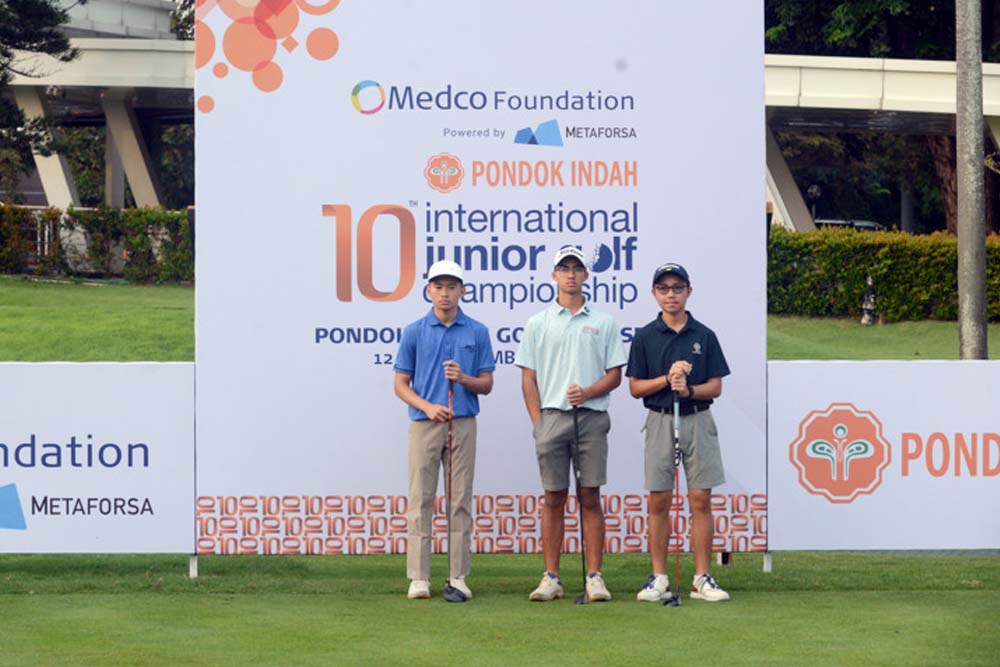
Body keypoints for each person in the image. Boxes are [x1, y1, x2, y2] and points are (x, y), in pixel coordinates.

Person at [515, 245, 627, 602]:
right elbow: (528, 378)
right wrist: (539, 423)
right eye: (564, 268)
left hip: (591, 418)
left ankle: (594, 576)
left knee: (590, 495)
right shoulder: (538, 323)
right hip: (552, 418)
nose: (571, 274)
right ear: (554, 275)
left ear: (586, 275)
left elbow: (615, 375)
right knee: (553, 497)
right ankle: (551, 577)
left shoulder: (604, 322)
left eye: (577, 268)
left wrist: (589, 391)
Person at [626, 262, 731, 602]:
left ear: (688, 291)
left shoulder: (704, 335)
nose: (670, 295)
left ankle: (701, 578)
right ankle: (659, 577)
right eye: (664, 289)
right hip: (660, 419)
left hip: (697, 419)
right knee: (659, 499)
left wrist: (688, 389)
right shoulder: (645, 336)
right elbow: (635, 387)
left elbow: (715, 386)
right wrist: (667, 379)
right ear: (654, 293)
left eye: (677, 288)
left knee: (700, 498)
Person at [394, 260, 495, 600]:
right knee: (420, 499)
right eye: (438, 287)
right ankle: (419, 577)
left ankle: (457, 576)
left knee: (459, 500)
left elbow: (486, 384)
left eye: (452, 287)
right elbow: (400, 384)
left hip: (462, 422)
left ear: (462, 291)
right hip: (425, 423)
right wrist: (426, 406)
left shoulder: (477, 331)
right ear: (429, 291)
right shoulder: (414, 331)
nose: (445, 293)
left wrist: (463, 378)